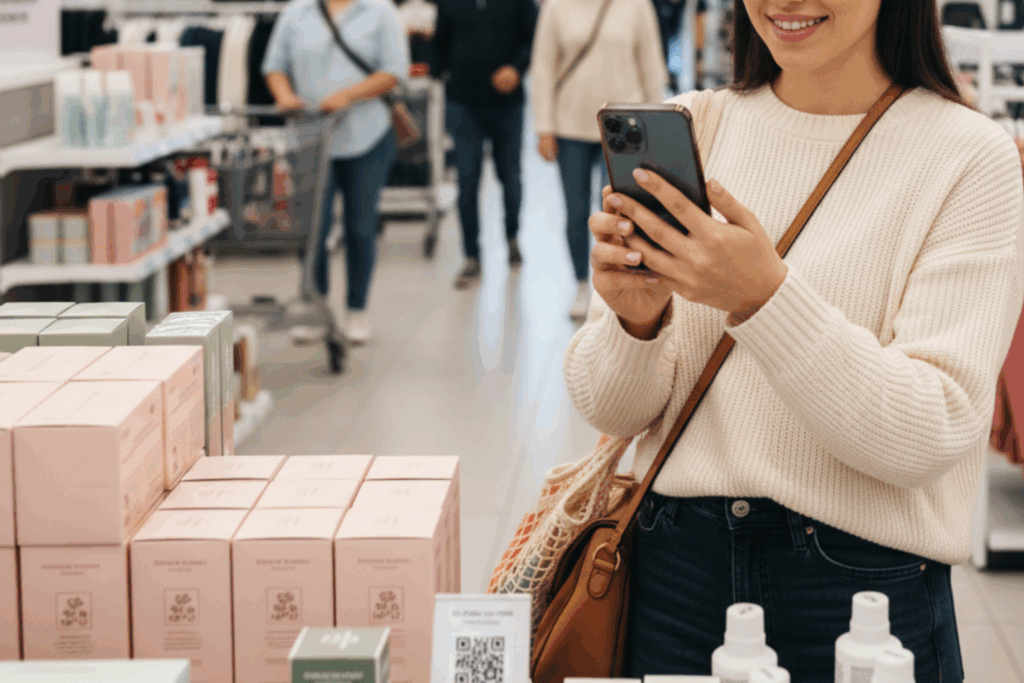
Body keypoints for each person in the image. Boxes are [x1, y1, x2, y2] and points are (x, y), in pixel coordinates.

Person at [566, 0, 1024, 680]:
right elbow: (610, 409)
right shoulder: (699, 125)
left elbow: (931, 427)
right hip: (672, 578)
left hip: (863, 593)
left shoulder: (968, 157)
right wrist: (636, 321)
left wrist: (764, 299)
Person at [263, 0, 410, 345]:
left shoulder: (380, 11)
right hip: (310, 137)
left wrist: (347, 95)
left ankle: (356, 309)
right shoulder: (295, 13)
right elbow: (275, 66)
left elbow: (394, 71)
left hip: (368, 134)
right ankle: (317, 305)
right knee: (312, 228)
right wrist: (284, 96)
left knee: (361, 227)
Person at [531, 0, 668, 320]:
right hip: (570, 125)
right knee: (576, 212)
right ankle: (581, 284)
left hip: (624, 127)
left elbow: (651, 67)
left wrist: (657, 129)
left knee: (621, 213)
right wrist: (544, 127)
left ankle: (617, 287)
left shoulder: (636, 6)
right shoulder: (556, 7)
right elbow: (543, 68)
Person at [429, 0, 538, 290]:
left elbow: (533, 37)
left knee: (510, 177)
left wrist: (517, 69)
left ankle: (512, 235)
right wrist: (432, 70)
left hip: (507, 105)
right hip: (463, 103)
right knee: (467, 179)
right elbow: (439, 43)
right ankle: (471, 255)